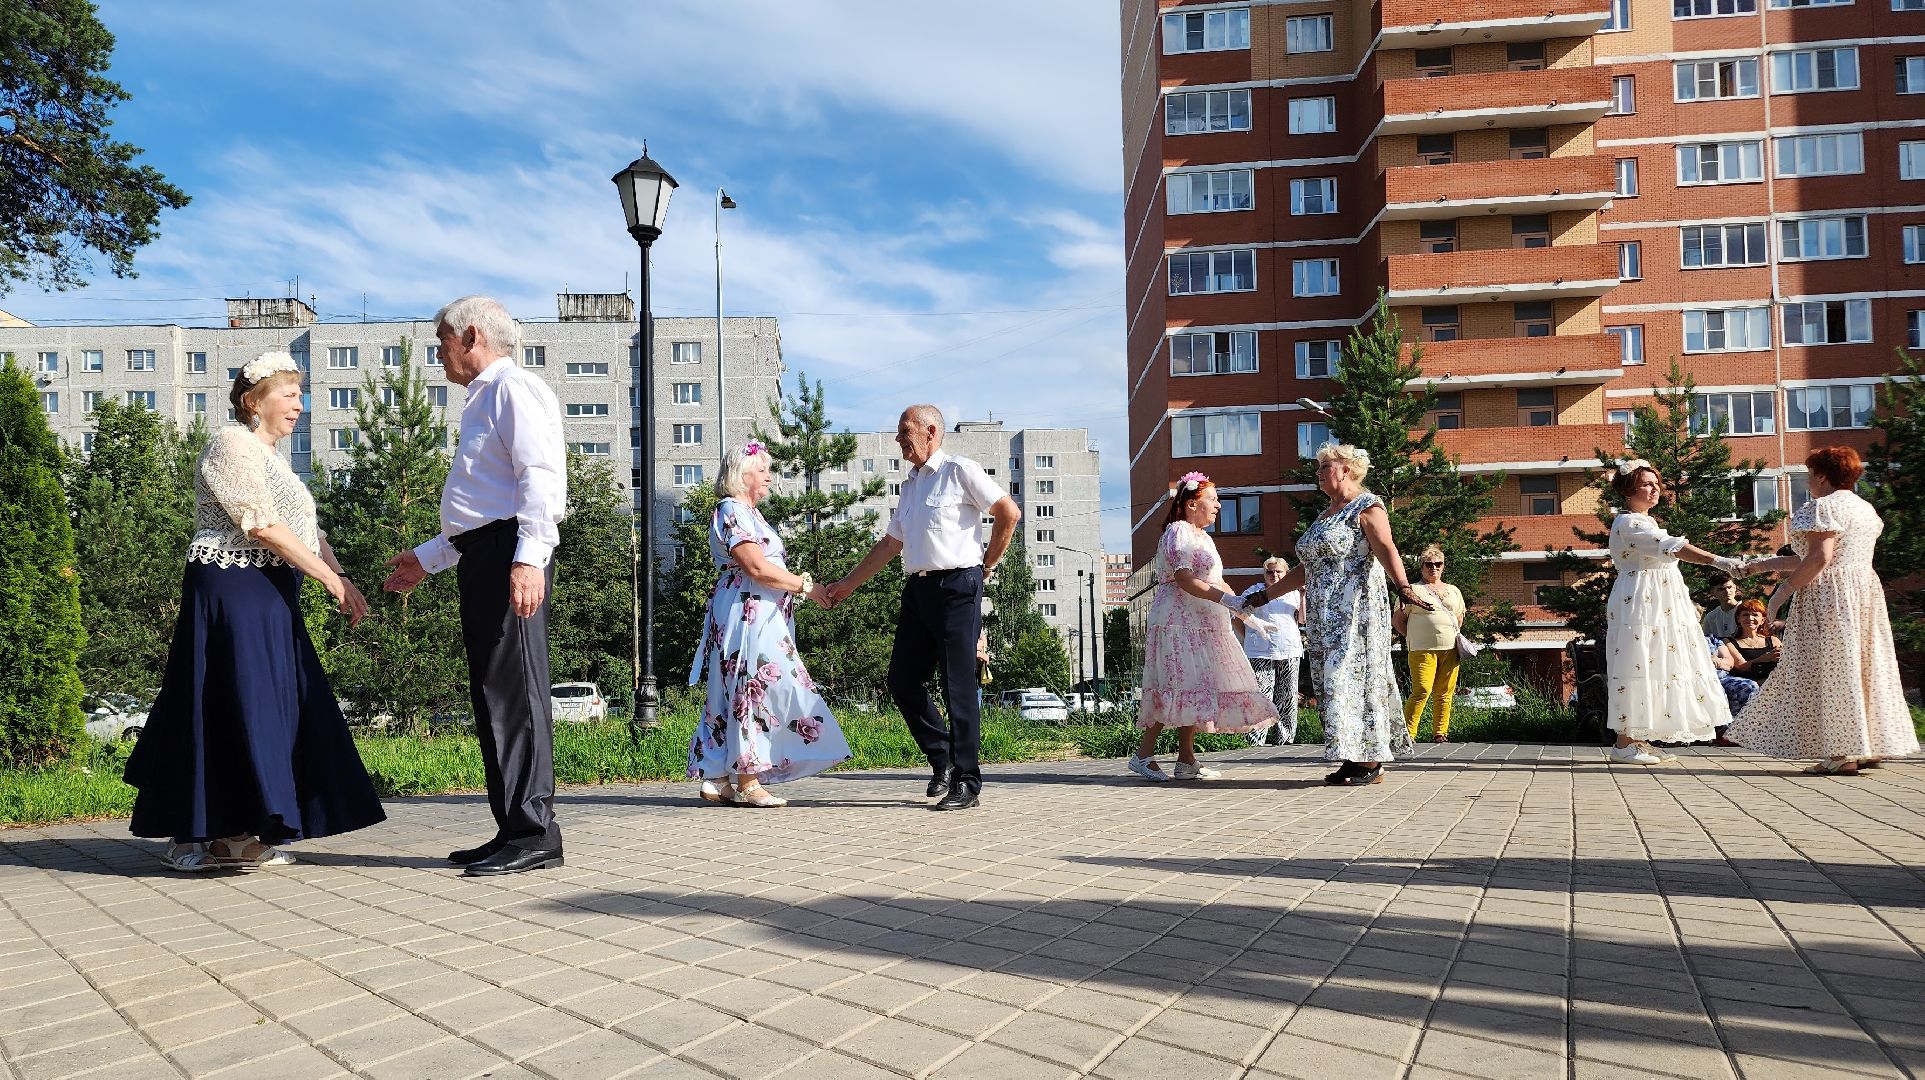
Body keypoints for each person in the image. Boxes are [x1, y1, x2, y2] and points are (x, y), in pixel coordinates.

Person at [125, 352, 385, 871]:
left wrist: (341, 576)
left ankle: (240, 836)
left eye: (300, 395)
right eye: (288, 394)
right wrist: (329, 579)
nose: (299, 404)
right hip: (232, 587)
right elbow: (261, 525)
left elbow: (309, 533)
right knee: (223, 700)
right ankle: (189, 837)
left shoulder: (274, 461)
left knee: (265, 708)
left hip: (269, 591)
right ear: (252, 401)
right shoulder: (232, 444)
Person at [383, 296, 567, 875]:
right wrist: (427, 558)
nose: (438, 354)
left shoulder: (514, 389)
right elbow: (480, 510)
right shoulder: (483, 398)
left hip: (512, 551)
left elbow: (540, 478)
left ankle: (535, 832)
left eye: (441, 342)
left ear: (470, 336)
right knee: (493, 691)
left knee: (517, 689)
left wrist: (529, 558)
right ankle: (513, 826)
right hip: (487, 553)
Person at [826, 405, 1020, 810]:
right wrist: (846, 585)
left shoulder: (959, 470)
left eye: (904, 431)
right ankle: (942, 756)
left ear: (930, 431)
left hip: (957, 586)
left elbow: (1009, 512)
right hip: (918, 589)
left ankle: (967, 781)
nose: (899, 439)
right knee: (902, 680)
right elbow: (889, 544)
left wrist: (987, 565)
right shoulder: (911, 485)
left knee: (957, 684)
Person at [1243, 444, 1430, 787]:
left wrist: (1403, 587)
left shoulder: (1366, 506)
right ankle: (1351, 755)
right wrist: (1266, 595)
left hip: (1357, 613)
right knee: (1333, 683)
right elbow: (1307, 569)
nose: (1318, 473)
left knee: (1355, 678)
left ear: (1346, 470)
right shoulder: (1325, 516)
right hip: (1325, 616)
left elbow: (1385, 548)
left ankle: (1370, 760)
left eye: (1325, 467)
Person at [1725, 447, 1920, 775]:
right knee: (1861, 666)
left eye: (1810, 474)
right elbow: (1812, 558)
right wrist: (1759, 566)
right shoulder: (1864, 509)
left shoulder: (1821, 507)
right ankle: (1866, 745)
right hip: (1862, 593)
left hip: (1829, 596)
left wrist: (1780, 595)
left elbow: (1819, 559)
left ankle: (1842, 753)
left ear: (1822, 476)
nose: (1808, 481)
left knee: (1831, 670)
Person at [687, 443, 850, 807]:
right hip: (748, 608)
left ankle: (718, 776)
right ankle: (748, 780)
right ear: (742, 473)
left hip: (755, 608)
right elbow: (755, 567)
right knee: (754, 685)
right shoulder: (732, 509)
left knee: (737, 686)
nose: (769, 477)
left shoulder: (748, 513)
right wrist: (807, 587)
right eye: (762, 470)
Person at [1129, 473, 1279, 780]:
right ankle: (1143, 755)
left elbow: (1217, 582)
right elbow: (1184, 578)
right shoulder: (1178, 531)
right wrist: (1229, 602)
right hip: (1178, 620)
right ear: (1191, 504)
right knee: (1175, 683)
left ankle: (1186, 760)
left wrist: (1247, 615)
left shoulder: (1204, 538)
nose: (1219, 505)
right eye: (1213, 499)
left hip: (1203, 620)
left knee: (1196, 685)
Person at [1602, 460, 1744, 764]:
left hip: (1657, 601)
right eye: (1646, 484)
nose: (1655, 489)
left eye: (1656, 483)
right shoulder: (1629, 523)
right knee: (1637, 662)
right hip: (1641, 602)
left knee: (1656, 663)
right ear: (1628, 490)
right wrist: (1720, 561)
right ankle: (1624, 742)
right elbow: (1673, 547)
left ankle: (1638, 739)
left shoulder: (1646, 521)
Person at [1395, 544, 1467, 744]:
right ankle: (1408, 733)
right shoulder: (1412, 590)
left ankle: (1440, 733)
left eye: (1438, 564)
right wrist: (1412, 636)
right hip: (1421, 649)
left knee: (1445, 692)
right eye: (1429, 564)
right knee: (1422, 690)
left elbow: (1459, 617)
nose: (1433, 567)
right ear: (1422, 567)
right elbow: (1398, 621)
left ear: (1443, 566)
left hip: (1450, 648)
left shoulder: (1453, 590)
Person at [1239, 556, 1304, 748]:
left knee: (1288, 695)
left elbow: (1302, 619)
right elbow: (1238, 614)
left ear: (1286, 573)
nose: (1274, 575)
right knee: (1261, 694)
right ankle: (1255, 737)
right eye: (1270, 571)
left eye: (1278, 571)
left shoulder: (1293, 593)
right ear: (1264, 573)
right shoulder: (1253, 592)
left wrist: (1302, 595)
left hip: (1289, 649)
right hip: (1260, 651)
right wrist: (1248, 637)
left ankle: (1285, 737)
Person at [1718, 599, 1780, 685]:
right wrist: (1764, 658)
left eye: (1755, 615)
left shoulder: (1773, 640)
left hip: (1775, 683)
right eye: (1745, 615)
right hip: (1747, 686)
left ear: (1762, 620)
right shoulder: (1729, 642)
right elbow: (1741, 667)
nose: (1750, 618)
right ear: (1738, 619)